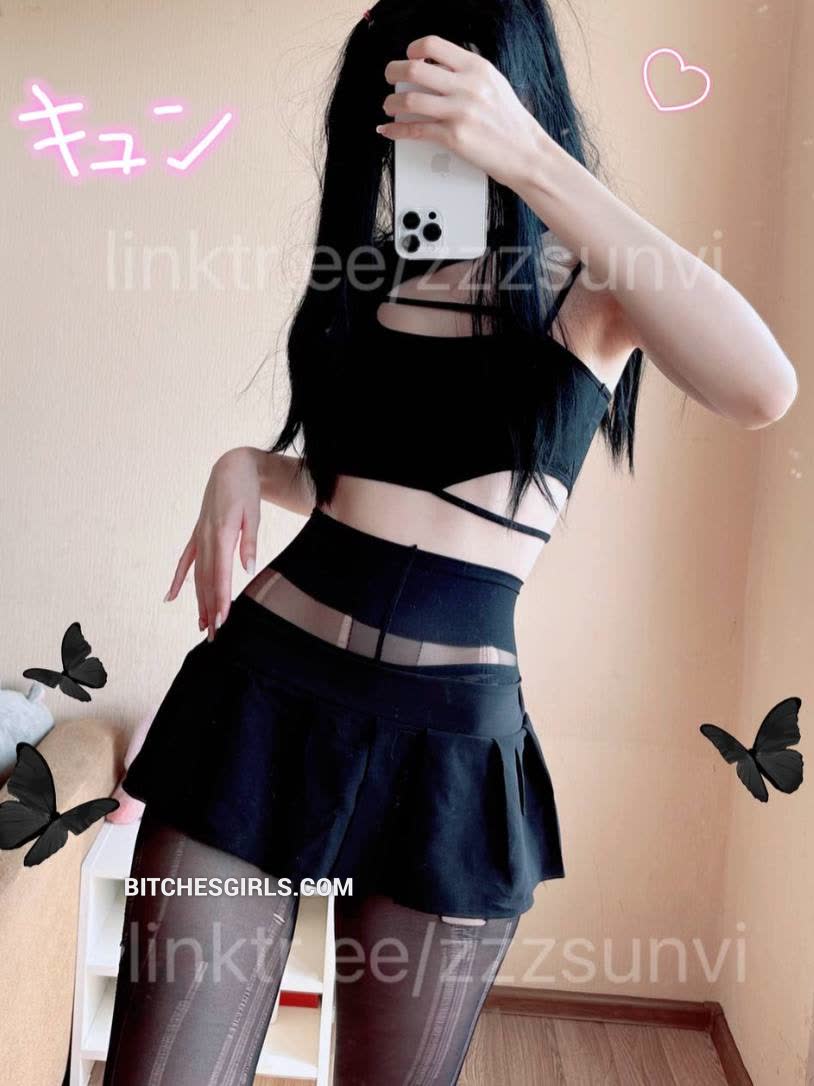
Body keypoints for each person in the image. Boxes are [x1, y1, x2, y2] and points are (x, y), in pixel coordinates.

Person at [105, 2, 798, 1083]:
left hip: (445, 755)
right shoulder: (374, 276)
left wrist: (531, 159)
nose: (422, 145)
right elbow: (371, 486)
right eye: (400, 117)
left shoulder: (592, 290)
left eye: (451, 109)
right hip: (261, 700)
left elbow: (762, 388)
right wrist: (249, 464)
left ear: (517, 96)